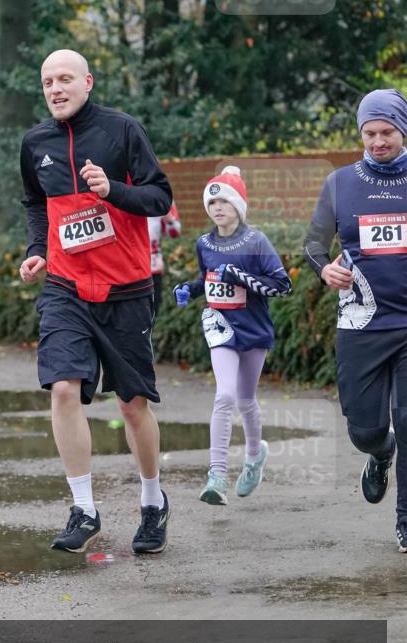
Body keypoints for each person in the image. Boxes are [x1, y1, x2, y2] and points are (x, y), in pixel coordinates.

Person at [19, 49, 174, 554]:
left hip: (127, 289)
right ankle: (84, 507)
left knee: (131, 407)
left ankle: (153, 501)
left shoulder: (122, 130)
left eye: (65, 79)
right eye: (47, 82)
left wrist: (113, 192)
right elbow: (36, 205)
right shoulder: (35, 142)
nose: (56, 88)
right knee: (63, 389)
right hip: (65, 287)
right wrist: (38, 250)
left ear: (87, 82)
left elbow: (159, 197)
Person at [304, 88, 407, 552]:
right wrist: (323, 267)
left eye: (388, 132)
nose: (379, 141)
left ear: (402, 131)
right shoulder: (341, 182)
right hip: (361, 322)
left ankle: (405, 521)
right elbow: (314, 242)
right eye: (370, 133)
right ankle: (380, 454)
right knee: (365, 430)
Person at [173, 166, 292, 504]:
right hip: (220, 327)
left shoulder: (256, 241)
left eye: (224, 201)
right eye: (212, 204)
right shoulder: (204, 243)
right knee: (224, 396)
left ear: (238, 205)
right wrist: (190, 289)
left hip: (253, 329)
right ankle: (217, 476)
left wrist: (238, 276)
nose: (218, 208)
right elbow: (207, 278)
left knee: (245, 399)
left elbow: (283, 285)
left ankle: (254, 457)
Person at [148, 202, 182, 314]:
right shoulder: (123, 191)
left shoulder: (161, 194)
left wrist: (168, 219)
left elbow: (175, 232)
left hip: (153, 267)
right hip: (129, 267)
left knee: (153, 310)